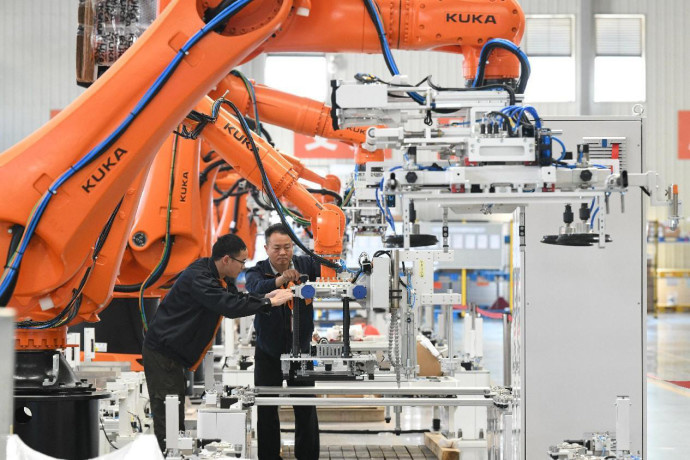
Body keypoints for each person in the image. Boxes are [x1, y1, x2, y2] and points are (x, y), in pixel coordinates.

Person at [142, 233, 293, 452]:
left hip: (175, 353)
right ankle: (168, 454)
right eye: (241, 262)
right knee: (169, 414)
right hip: (163, 353)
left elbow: (237, 299)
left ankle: (173, 452)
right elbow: (228, 306)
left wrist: (266, 298)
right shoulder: (200, 278)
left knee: (175, 408)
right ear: (226, 260)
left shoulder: (220, 276)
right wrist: (268, 302)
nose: (243, 267)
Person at [245, 223, 320, 460]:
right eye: (277, 248)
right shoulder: (257, 271)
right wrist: (280, 280)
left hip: (302, 352)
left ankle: (307, 456)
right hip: (268, 353)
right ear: (266, 248)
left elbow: (332, 269)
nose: (283, 253)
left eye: (287, 247)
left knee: (306, 409)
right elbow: (255, 289)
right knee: (267, 409)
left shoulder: (306, 264)